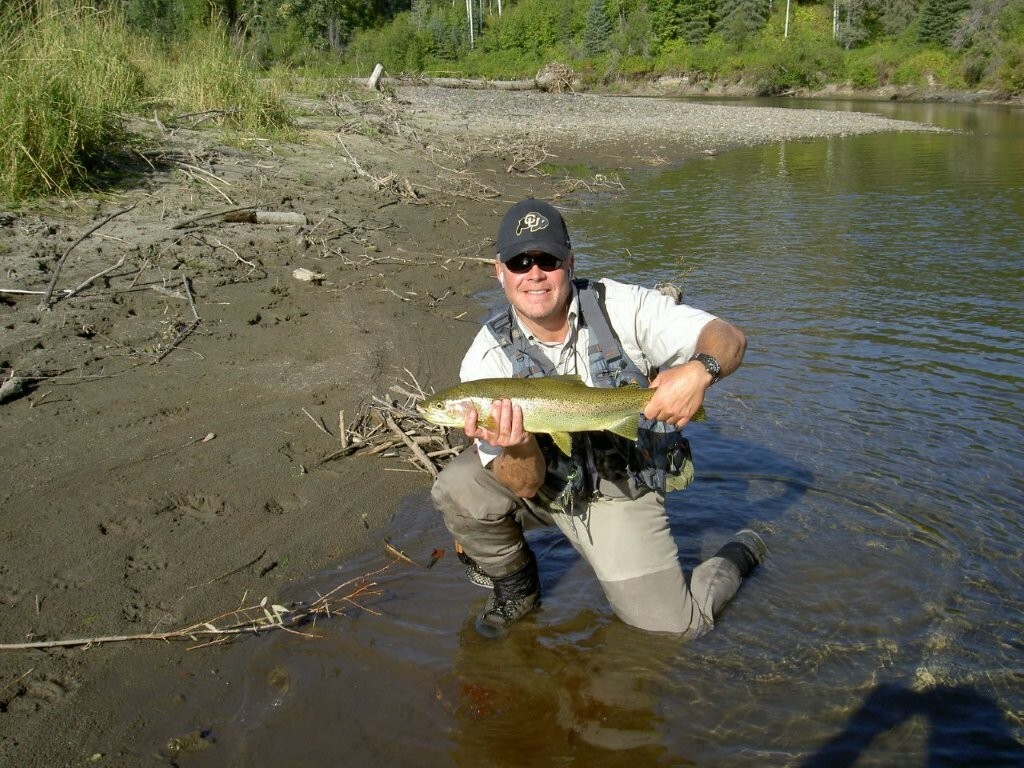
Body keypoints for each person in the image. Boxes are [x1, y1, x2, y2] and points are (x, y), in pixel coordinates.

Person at [431, 198, 766, 639]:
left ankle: (742, 552)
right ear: (500, 271)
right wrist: (517, 443)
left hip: (619, 488)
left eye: (547, 260)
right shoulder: (485, 357)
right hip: (545, 484)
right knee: (458, 487)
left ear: (569, 263)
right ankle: (517, 588)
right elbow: (524, 484)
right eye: (519, 262)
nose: (534, 273)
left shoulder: (624, 306)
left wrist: (699, 372)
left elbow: (730, 339)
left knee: (677, 628)